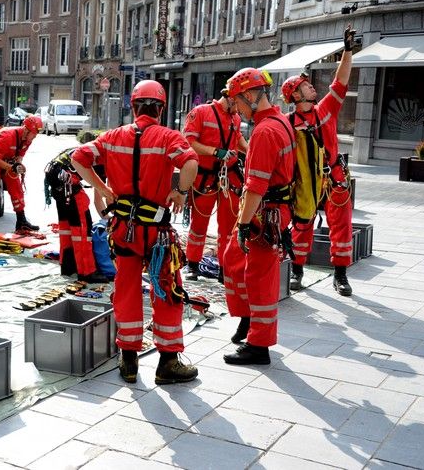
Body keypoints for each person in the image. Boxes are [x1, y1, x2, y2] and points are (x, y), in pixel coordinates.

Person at [72, 79, 200, 385]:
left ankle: (128, 359)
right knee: (167, 288)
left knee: (127, 288)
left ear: (133, 105)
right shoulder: (168, 137)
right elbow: (191, 162)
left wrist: (102, 188)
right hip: (156, 232)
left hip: (123, 229)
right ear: (161, 108)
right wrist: (181, 192)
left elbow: (78, 158)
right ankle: (168, 361)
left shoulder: (113, 137)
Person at [222, 68, 294, 365]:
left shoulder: (265, 131)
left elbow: (255, 186)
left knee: (260, 278)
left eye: (237, 102)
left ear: (250, 96)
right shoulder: (280, 122)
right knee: (232, 259)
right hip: (272, 211)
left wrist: (241, 223)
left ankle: (259, 346)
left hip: (266, 214)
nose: (235, 109)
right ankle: (247, 318)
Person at [282, 25, 356, 296]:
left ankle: (340, 276)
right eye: (306, 86)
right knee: (302, 225)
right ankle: (298, 271)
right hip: (304, 183)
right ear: (296, 96)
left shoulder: (325, 110)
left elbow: (340, 82)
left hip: (334, 178)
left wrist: (347, 52)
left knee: (342, 225)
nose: (313, 87)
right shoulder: (288, 124)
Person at [182, 93, 248, 282]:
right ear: (230, 98)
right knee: (199, 223)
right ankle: (192, 265)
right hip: (206, 177)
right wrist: (214, 151)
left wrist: (251, 151)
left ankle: (224, 268)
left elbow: (238, 139)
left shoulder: (234, 117)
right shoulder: (201, 112)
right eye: (238, 103)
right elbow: (189, 141)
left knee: (228, 226)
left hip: (229, 177)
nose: (240, 109)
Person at [44, 135, 109, 283]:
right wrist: (109, 221)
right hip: (67, 181)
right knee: (82, 228)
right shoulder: (102, 161)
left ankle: (68, 266)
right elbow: (98, 200)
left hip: (56, 178)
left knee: (67, 226)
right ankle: (87, 272)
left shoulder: (89, 150)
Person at [0, 115, 43, 236]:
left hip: (8, 161)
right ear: (26, 130)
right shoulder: (8, 136)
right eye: (34, 133)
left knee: (16, 189)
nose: (35, 137)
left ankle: (21, 221)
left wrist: (18, 165)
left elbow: (20, 156)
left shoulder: (27, 140)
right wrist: (11, 167)